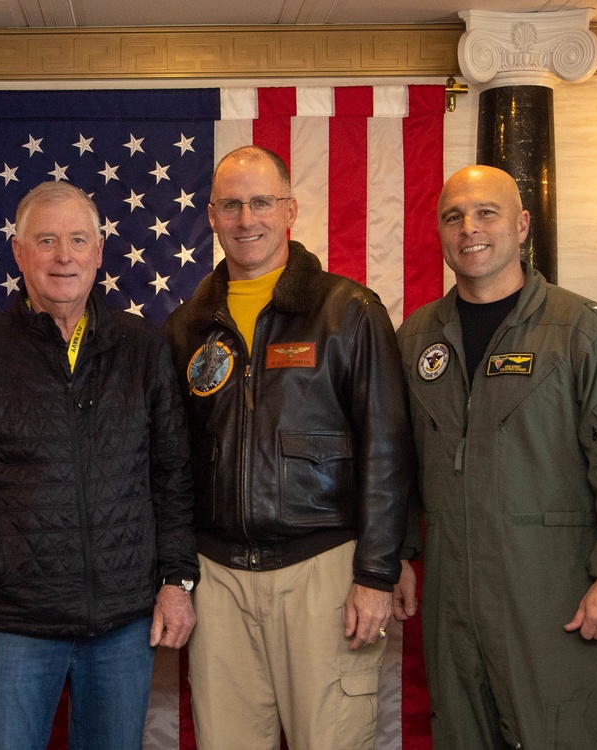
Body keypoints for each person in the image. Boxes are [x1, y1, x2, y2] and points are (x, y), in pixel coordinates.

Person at [394, 165, 597, 749]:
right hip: (452, 594)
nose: (469, 228)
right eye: (454, 217)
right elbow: (395, 458)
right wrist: (397, 553)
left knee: (565, 733)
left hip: (552, 592)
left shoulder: (582, 332)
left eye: (486, 213)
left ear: (522, 226)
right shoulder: (418, 337)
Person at [0, 180, 198, 750]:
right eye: (46, 240)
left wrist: (176, 580)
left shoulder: (143, 348)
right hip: (11, 626)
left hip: (123, 624)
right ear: (19, 253)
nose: (64, 256)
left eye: (77, 240)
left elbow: (172, 477)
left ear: (99, 252)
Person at [163, 145, 417, 750]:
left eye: (261, 202)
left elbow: (388, 447)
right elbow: (169, 465)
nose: (246, 218)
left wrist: (377, 574)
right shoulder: (184, 328)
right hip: (217, 577)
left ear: (290, 210)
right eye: (231, 205)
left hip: (323, 573)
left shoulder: (347, 311)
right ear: (213, 215)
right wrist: (174, 572)